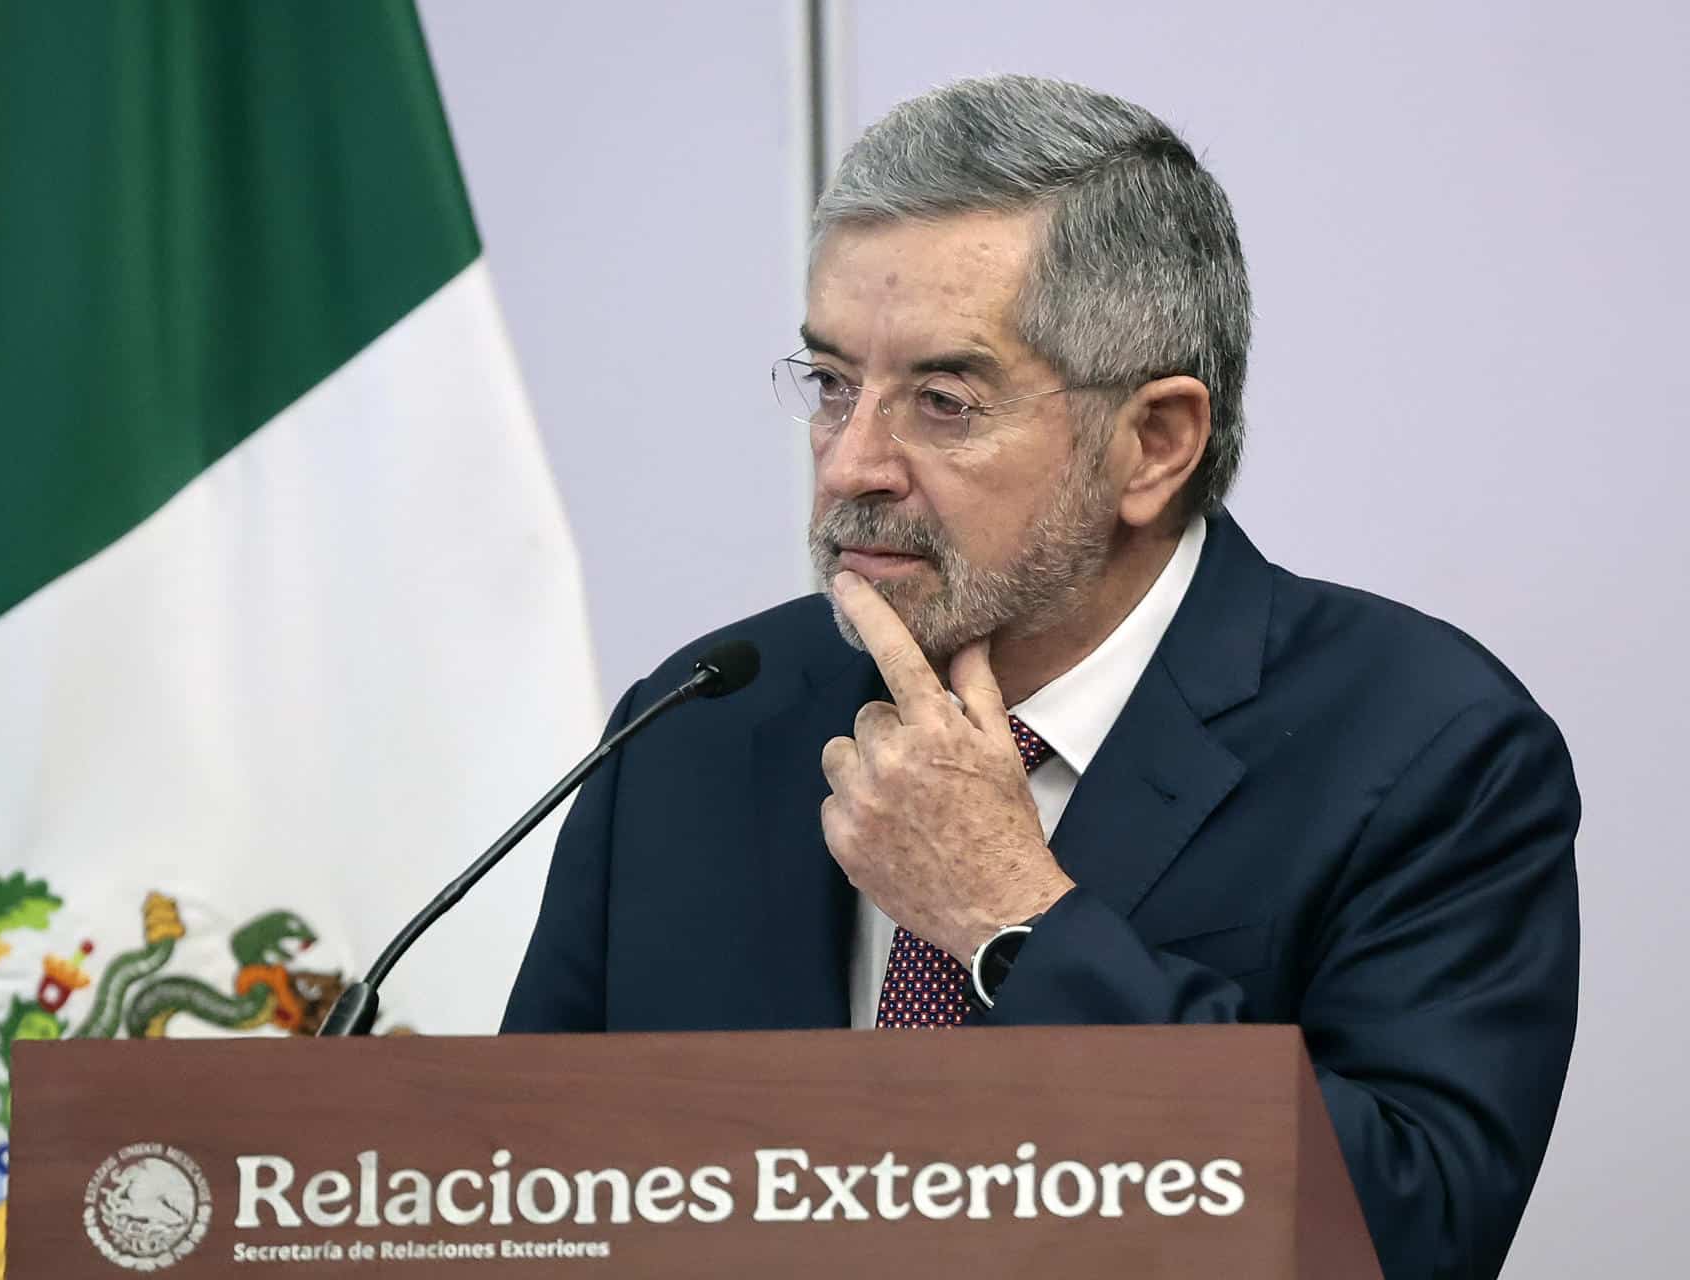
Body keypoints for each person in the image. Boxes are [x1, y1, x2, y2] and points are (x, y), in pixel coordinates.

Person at [503, 74, 1578, 1280]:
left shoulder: (1426, 746)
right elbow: (537, 1188)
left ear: (1153, 443)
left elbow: (1408, 1233)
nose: (853, 461)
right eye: (829, 384)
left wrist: (1012, 920)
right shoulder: (702, 714)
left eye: (943, 402)